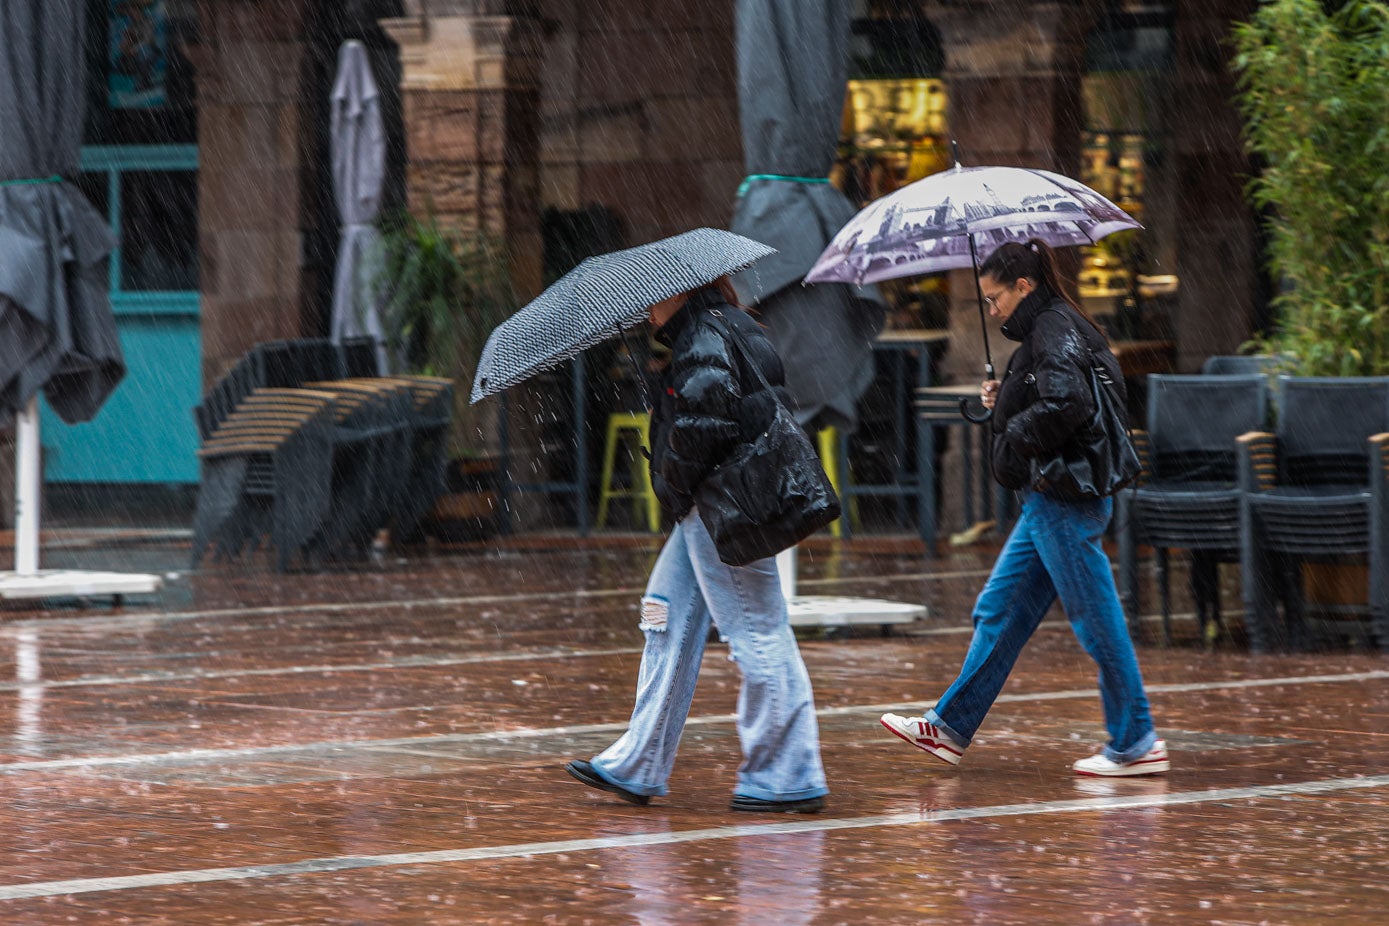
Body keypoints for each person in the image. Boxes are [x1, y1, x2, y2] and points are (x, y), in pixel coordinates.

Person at [880, 239, 1168, 777]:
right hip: (1053, 497)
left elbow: (1069, 403)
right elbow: (1056, 392)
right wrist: (1006, 394)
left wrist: (1012, 426)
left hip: (1063, 496)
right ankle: (949, 727)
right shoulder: (1050, 328)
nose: (992, 310)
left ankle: (1136, 740)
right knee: (1001, 608)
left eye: (995, 298)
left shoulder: (1052, 327)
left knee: (1094, 619)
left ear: (1023, 287)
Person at [565, 276, 830, 812]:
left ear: (680, 291)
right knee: (663, 619)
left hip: (721, 506)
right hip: (715, 505)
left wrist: (671, 480)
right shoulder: (723, 328)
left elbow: (704, 425)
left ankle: (787, 776)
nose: (644, 305)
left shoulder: (705, 336)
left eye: (651, 295)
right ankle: (637, 762)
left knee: (756, 633)